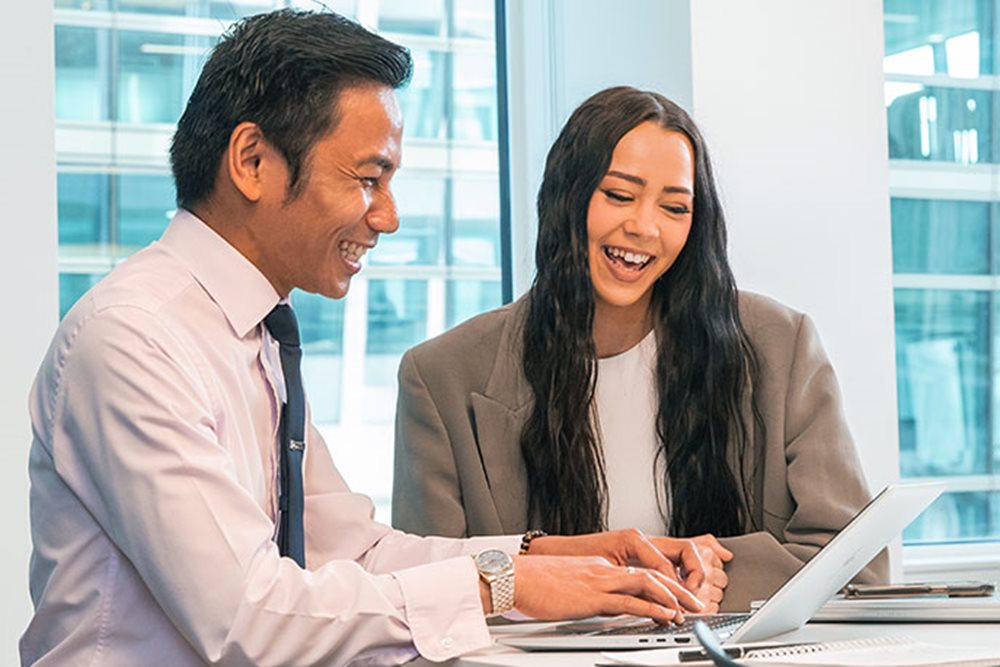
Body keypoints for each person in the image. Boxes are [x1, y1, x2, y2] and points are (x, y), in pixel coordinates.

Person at [21, 15, 721, 666]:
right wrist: (508, 588)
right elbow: (247, 614)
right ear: (253, 161)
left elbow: (355, 550)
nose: (386, 216)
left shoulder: (256, 335)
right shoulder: (134, 340)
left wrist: (544, 558)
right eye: (367, 178)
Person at [391, 86, 889, 613]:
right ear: (567, 196)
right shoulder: (440, 376)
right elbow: (430, 587)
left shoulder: (779, 344)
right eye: (620, 195)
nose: (644, 227)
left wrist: (686, 581)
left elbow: (857, 562)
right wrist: (631, 582)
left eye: (675, 207)